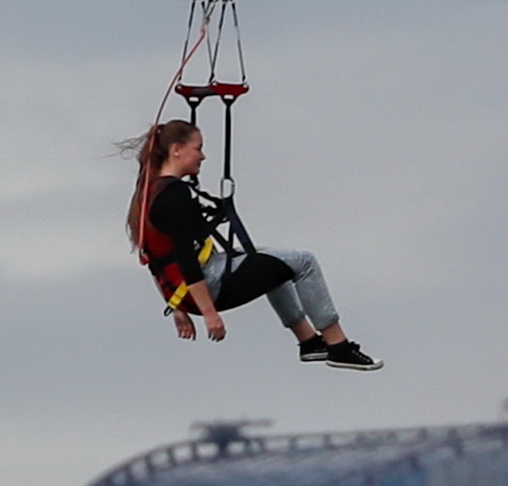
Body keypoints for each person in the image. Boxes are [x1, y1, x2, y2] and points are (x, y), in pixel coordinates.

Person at [126, 119, 382, 370]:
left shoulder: (148, 193)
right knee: (304, 262)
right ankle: (338, 346)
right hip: (210, 285)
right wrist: (209, 314)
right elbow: (185, 259)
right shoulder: (175, 194)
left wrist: (177, 307)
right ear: (176, 150)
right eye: (198, 148)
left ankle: (310, 342)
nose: (203, 156)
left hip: (186, 292)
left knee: (276, 259)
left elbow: (154, 259)